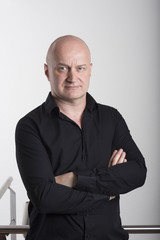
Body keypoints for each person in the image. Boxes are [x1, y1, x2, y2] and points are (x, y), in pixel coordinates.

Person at [16, 35, 147, 240]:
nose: (72, 77)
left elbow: (138, 172)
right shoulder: (29, 126)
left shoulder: (111, 118)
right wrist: (106, 191)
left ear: (90, 70)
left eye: (80, 68)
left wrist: (74, 179)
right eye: (62, 68)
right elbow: (45, 197)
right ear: (47, 71)